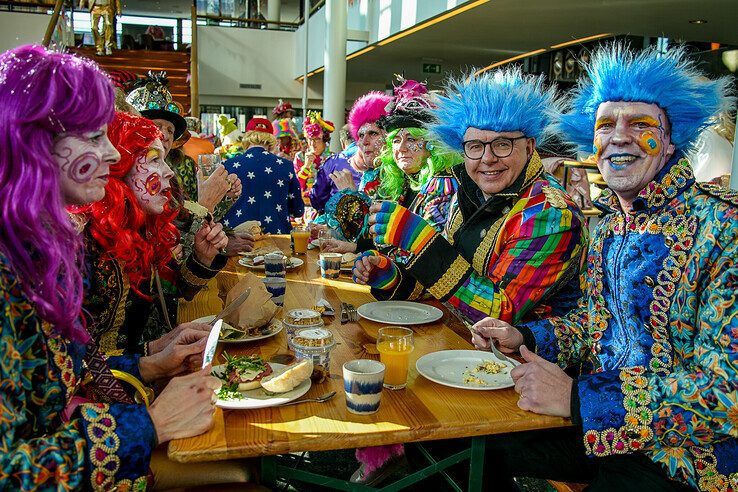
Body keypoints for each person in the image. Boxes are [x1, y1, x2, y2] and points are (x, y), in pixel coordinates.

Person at [472, 45, 737, 490]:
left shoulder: (724, 229)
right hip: (601, 431)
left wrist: (579, 399)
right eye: (606, 124)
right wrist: (527, 336)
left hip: (691, 460)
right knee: (474, 447)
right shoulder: (611, 225)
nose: (619, 137)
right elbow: (597, 323)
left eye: (640, 124)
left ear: (670, 141)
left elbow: (726, 392)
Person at [0, 44, 219, 489]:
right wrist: (150, 424)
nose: (115, 156)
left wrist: (151, 362)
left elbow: (67, 371)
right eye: (94, 136)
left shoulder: (39, 247)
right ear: (34, 143)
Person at [357, 68, 586, 326]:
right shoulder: (470, 189)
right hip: (459, 347)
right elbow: (450, 284)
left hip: (520, 361)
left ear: (530, 146)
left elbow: (502, 313)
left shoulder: (550, 213)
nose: (487, 159)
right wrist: (391, 279)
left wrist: (421, 241)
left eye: (502, 144)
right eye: (475, 146)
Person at [75, 111, 229, 354]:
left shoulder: (144, 225)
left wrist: (202, 257)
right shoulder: (82, 242)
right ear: (118, 164)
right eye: (154, 159)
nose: (168, 171)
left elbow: (171, 290)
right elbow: (76, 365)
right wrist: (150, 360)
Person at [222, 117, 305, 233]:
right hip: (277, 238)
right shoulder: (286, 166)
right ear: (271, 139)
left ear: (246, 137)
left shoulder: (227, 165)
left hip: (235, 238)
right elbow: (298, 210)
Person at [294, 111, 334, 200]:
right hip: (305, 205)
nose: (312, 143)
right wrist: (306, 166)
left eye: (317, 139)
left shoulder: (333, 158)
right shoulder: (300, 156)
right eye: (310, 139)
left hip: (326, 204)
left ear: (325, 139)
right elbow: (296, 184)